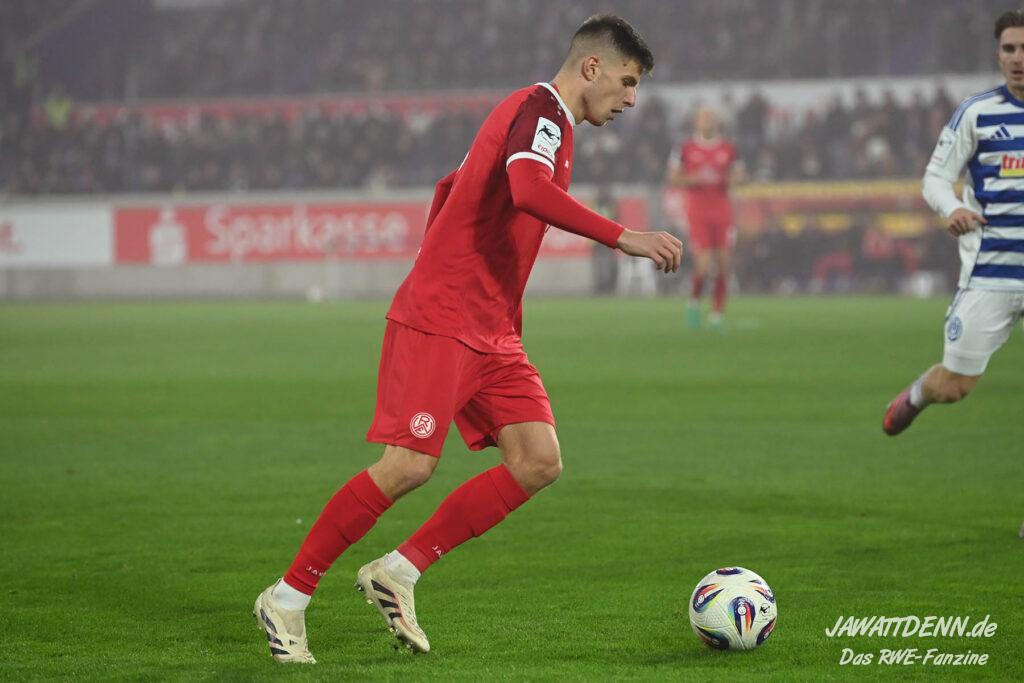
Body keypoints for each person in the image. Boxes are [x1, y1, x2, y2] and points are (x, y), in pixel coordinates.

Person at [253, 15, 682, 663]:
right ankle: (287, 597)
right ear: (591, 67)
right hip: (446, 318)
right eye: (627, 82)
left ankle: (398, 570)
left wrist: (488, 295)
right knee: (409, 465)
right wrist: (623, 236)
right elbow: (528, 191)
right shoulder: (542, 111)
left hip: (491, 328)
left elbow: (451, 189)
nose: (631, 98)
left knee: (537, 460)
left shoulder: (549, 124)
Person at [883, 9, 1024, 441]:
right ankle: (918, 395)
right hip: (991, 273)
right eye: (1009, 49)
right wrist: (952, 208)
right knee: (953, 387)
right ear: (998, 55)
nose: (1018, 58)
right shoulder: (976, 113)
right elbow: (935, 178)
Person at [667, 104, 745, 330]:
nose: (707, 121)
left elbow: (740, 175)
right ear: (696, 121)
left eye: (710, 117)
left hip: (722, 212)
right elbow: (673, 178)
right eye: (703, 117)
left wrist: (731, 179)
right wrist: (693, 179)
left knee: (723, 265)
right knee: (703, 265)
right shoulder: (685, 148)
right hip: (698, 212)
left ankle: (717, 315)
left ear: (717, 122)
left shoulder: (729, 149)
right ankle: (694, 303)